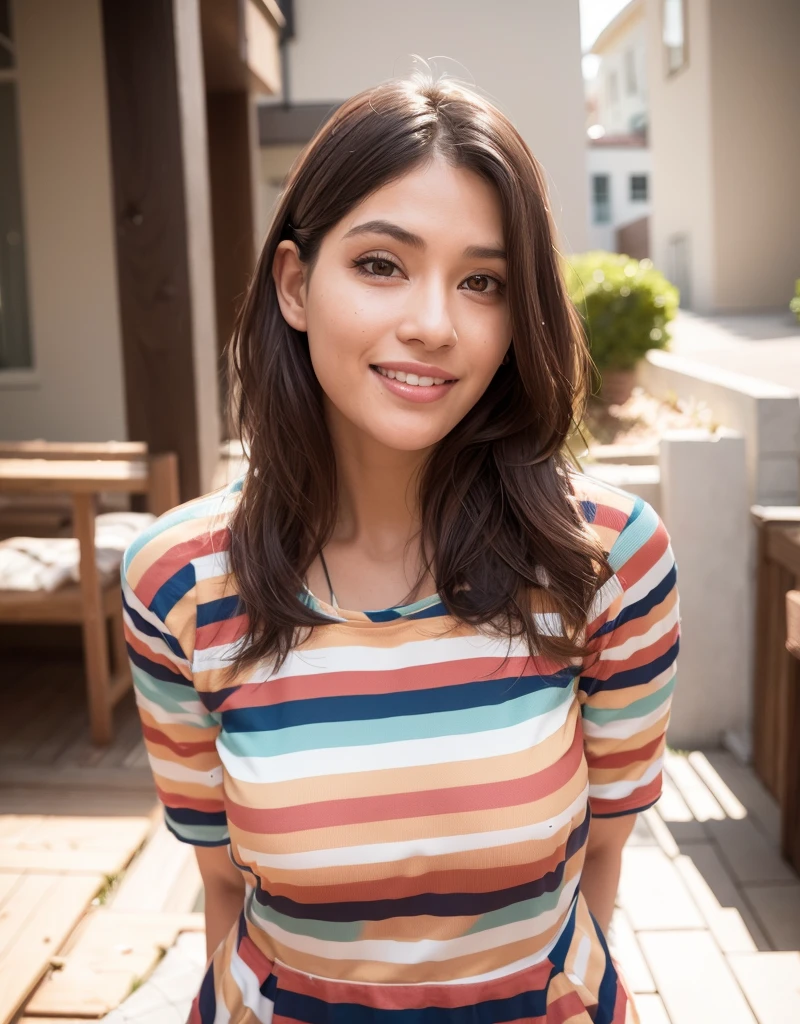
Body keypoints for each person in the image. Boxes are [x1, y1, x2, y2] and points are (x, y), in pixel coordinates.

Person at [121, 72, 680, 1024]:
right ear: (296, 285)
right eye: (382, 264)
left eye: (482, 282)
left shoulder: (606, 560)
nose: (433, 322)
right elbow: (225, 891)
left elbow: (600, 865)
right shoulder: (181, 583)